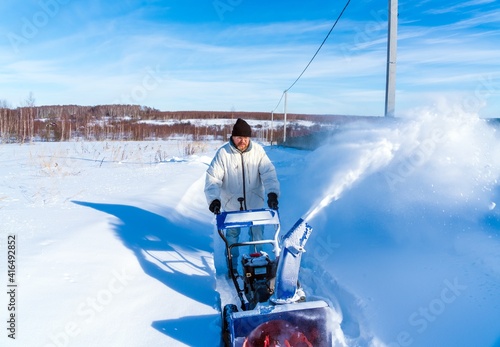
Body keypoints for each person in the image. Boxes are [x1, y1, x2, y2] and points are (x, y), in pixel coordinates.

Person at [205, 118, 280, 270]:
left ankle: (257, 266)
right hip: (232, 205)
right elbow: (213, 179)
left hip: (255, 204)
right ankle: (232, 268)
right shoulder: (223, 153)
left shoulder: (258, 152)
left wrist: (272, 194)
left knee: (257, 236)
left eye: (245, 138)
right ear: (232, 136)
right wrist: (214, 200)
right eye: (239, 137)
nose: (243, 141)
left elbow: (269, 174)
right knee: (232, 238)